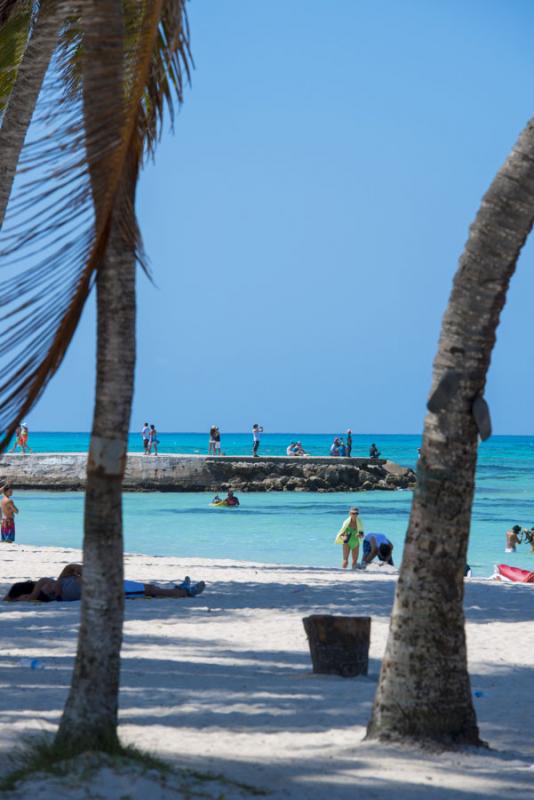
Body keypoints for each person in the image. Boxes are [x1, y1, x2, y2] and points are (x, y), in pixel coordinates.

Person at [3, 564, 206, 602]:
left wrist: (58, 581)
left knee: (146, 588)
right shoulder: (53, 596)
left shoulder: (52, 585)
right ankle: (183, 593)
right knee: (147, 590)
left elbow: (70, 566)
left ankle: (180, 589)